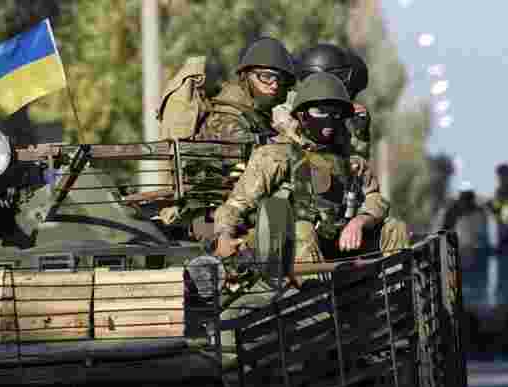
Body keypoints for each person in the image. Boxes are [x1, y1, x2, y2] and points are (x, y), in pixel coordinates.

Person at [214, 72, 408, 271]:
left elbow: (375, 198)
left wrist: (360, 221)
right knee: (302, 230)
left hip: (338, 241)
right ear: (301, 115)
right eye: (320, 111)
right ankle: (314, 290)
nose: (328, 119)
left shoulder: (349, 159)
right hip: (285, 252)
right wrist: (224, 236)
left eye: (335, 112)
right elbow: (235, 205)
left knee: (394, 228)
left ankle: (396, 287)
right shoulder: (276, 155)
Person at [158, 37, 296, 237]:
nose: (274, 84)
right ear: (245, 76)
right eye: (265, 77)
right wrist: (287, 138)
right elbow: (256, 164)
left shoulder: (255, 115)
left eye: (280, 79)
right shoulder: (228, 117)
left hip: (243, 211)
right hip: (215, 217)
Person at [272, 44, 371, 164]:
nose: (348, 101)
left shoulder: (330, 119)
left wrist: (360, 133)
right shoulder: (286, 116)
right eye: (346, 92)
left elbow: (351, 166)